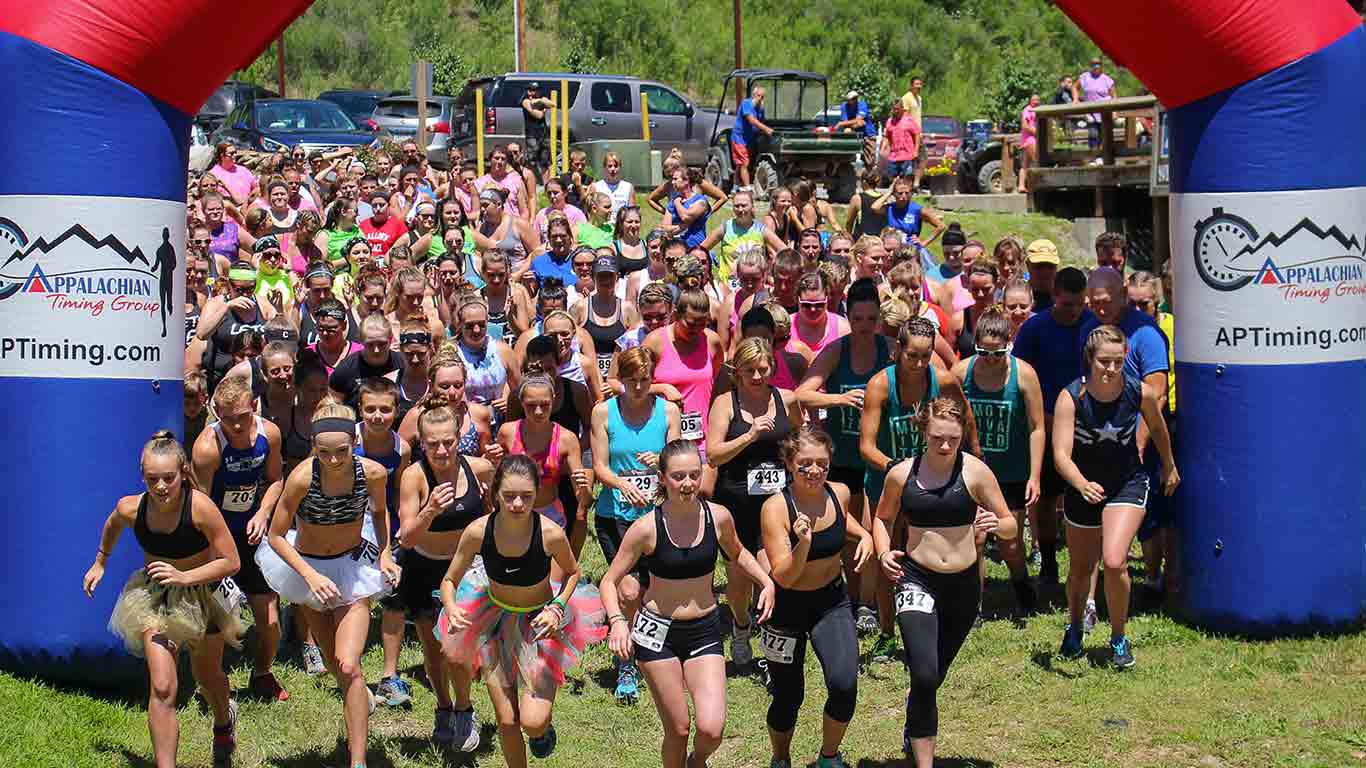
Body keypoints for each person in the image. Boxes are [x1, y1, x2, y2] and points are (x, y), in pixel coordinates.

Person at [600, 440, 775, 768]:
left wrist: (766, 582)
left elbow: (737, 553)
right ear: (663, 479)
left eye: (694, 475)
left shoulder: (718, 517)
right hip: (657, 633)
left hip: (704, 629)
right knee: (678, 730)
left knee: (711, 729)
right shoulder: (646, 528)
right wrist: (618, 621)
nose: (688, 483)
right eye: (678, 476)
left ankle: (696, 763)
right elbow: (609, 581)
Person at [84, 431, 244, 768]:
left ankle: (223, 720)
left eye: (169, 479)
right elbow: (112, 525)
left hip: (204, 595)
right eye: (152, 479)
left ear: (183, 472)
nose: (160, 487)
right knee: (161, 686)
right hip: (156, 597)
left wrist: (185, 576)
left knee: (207, 675)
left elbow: (231, 561)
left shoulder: (201, 508)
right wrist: (100, 561)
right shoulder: (131, 507)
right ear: (142, 475)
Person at [437, 455, 607, 767]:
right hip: (492, 621)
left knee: (531, 721)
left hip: (540, 624)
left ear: (536, 494)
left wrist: (557, 607)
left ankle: (542, 731)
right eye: (509, 496)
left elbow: (573, 573)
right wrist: (450, 606)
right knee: (507, 719)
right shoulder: (477, 531)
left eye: (526, 497)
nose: (517, 504)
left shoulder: (549, 533)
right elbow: (449, 579)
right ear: (495, 494)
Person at [255, 402, 400, 768]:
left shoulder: (374, 474)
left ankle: (358, 761)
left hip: (353, 568)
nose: (333, 460)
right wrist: (310, 576)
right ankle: (360, 699)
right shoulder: (302, 478)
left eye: (342, 451)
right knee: (336, 665)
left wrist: (385, 553)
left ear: (355, 442)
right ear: (313, 448)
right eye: (324, 452)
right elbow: (275, 536)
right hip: (311, 572)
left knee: (349, 664)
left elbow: (381, 514)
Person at [873, 397, 1016, 767]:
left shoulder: (976, 472)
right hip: (916, 579)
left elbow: (1010, 522)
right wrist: (883, 552)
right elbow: (882, 518)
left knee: (933, 674)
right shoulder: (902, 473)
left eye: (953, 438)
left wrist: (996, 525)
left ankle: (915, 717)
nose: (946, 446)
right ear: (923, 432)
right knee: (923, 673)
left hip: (964, 585)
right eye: (938, 437)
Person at [1054, 326, 1179, 669]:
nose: (1110, 368)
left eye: (1118, 361)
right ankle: (1076, 626)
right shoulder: (1071, 397)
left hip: (1128, 482)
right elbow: (1061, 455)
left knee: (1113, 560)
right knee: (1080, 569)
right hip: (1083, 486)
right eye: (1103, 361)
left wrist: (1168, 465)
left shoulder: (1138, 392)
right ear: (1089, 360)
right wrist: (1079, 483)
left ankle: (1119, 637)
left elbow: (1158, 427)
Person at [858, 317, 976, 649]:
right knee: (888, 558)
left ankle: (932, 623)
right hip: (889, 482)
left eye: (926, 356)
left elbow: (965, 418)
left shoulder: (942, 380)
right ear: (898, 350)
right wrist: (897, 468)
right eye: (912, 356)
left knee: (933, 552)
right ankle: (885, 632)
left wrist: (974, 458)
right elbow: (866, 445)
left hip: (933, 482)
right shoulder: (881, 385)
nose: (919, 363)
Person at [760, 426, 874, 768]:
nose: (814, 471)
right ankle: (780, 757)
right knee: (787, 697)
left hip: (831, 602)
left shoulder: (837, 492)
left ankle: (829, 756)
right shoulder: (776, 508)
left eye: (822, 464)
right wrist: (804, 544)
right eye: (805, 464)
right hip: (786, 608)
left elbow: (845, 523)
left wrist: (865, 536)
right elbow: (784, 575)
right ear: (789, 464)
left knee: (843, 685)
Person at [397, 393, 495, 750]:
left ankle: (465, 708)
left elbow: (496, 511)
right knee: (433, 649)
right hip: (424, 569)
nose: (441, 451)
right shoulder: (414, 476)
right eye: (433, 444)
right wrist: (429, 511)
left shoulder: (478, 468)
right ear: (422, 443)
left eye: (448, 442)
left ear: (459, 439)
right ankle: (443, 706)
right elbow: (406, 538)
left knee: (458, 648)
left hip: (467, 572)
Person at [797, 279, 894, 632]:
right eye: (858, 319)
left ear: (879, 318)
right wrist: (839, 399)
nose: (865, 327)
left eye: (871, 319)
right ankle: (852, 599)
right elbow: (802, 394)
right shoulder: (837, 351)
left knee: (871, 527)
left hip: (877, 457)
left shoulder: (891, 349)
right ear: (848, 317)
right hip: (841, 457)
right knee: (848, 534)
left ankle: (868, 604)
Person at [590, 347, 682, 700]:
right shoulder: (604, 412)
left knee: (655, 589)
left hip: (658, 516)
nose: (640, 387)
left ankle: (659, 653)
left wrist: (660, 463)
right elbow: (599, 466)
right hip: (616, 515)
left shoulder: (668, 411)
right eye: (632, 381)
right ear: (621, 381)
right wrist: (620, 483)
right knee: (627, 590)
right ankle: (626, 664)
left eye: (646, 380)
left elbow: (678, 462)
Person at [706, 337, 804, 667]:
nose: (758, 377)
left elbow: (797, 439)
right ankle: (741, 625)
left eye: (763, 369)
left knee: (770, 572)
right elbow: (713, 454)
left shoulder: (786, 399)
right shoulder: (725, 403)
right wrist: (748, 435)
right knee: (737, 582)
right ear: (737, 372)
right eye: (750, 371)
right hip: (735, 504)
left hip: (774, 503)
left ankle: (771, 650)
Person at [190, 374, 288, 701]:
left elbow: (276, 480)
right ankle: (213, 685)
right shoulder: (208, 447)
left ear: (255, 408)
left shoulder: (269, 434)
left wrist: (262, 513)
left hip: (251, 537)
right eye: (226, 419)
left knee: (270, 620)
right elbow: (199, 506)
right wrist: (215, 549)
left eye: (242, 417)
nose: (234, 425)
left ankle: (262, 673)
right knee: (215, 624)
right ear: (215, 412)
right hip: (217, 543)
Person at [953, 307, 1046, 613]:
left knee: (1010, 542)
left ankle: (1021, 583)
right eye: (983, 352)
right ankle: (974, 604)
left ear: (1010, 342)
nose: (990, 359)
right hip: (972, 471)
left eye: (998, 353)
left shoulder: (1024, 375)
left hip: (1011, 471)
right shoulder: (962, 372)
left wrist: (1034, 475)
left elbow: (1036, 427)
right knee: (976, 537)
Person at [1011, 266, 1092, 586]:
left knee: (1084, 496)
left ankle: (1084, 564)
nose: (1072, 311)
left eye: (1078, 304)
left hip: (1085, 427)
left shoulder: (1093, 326)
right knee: (1044, 499)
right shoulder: (1035, 329)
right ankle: (1047, 562)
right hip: (1043, 423)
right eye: (1066, 304)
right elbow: (1019, 375)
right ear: (1054, 297)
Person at [351, 379, 416, 708]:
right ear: (360, 410)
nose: (378, 416)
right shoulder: (348, 440)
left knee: (393, 597)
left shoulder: (401, 448)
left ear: (396, 411)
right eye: (370, 409)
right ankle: (353, 674)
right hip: (347, 526)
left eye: (385, 409)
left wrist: (405, 523)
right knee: (353, 599)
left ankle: (390, 676)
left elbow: (402, 491)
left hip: (384, 525)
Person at [642, 289, 725, 492]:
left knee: (703, 493)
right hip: (662, 434)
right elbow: (624, 383)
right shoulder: (655, 342)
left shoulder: (712, 341)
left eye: (702, 323)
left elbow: (720, 383)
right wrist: (662, 388)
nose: (697, 329)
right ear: (676, 314)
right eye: (690, 323)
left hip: (701, 436)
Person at [496, 371, 593, 540]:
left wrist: (584, 489)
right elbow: (496, 480)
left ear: (554, 400)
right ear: (521, 402)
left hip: (549, 516)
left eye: (545, 405)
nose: (539, 411)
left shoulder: (566, 439)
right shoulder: (507, 433)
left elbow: (583, 498)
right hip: (512, 514)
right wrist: (491, 461)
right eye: (531, 405)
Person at [700, 189, 786, 289]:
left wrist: (772, 271)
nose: (740, 209)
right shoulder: (726, 227)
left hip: (755, 287)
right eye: (737, 206)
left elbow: (785, 251)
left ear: (752, 207)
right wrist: (710, 262)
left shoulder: (761, 230)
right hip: (729, 287)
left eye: (744, 205)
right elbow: (701, 249)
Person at [453, 296, 520, 416]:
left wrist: (509, 400)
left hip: (500, 423)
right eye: (469, 325)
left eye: (482, 324)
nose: (477, 330)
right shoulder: (451, 353)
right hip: (466, 421)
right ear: (459, 324)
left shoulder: (503, 351)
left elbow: (519, 389)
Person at [328, 314, 403, 409]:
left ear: (390, 338)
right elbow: (334, 406)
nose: (376, 350)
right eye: (370, 344)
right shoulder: (346, 369)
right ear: (360, 340)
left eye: (382, 344)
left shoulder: (403, 364)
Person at [871, 177, 945, 248]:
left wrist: (924, 242)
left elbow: (941, 226)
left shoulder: (917, 209)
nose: (904, 196)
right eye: (900, 193)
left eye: (907, 193)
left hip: (910, 249)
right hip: (892, 249)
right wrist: (889, 192)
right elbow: (874, 207)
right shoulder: (890, 208)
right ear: (894, 194)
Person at [792, 272, 850, 356]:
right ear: (797, 300)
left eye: (819, 304)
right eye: (806, 304)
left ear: (827, 299)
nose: (813, 309)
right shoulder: (786, 329)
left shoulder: (843, 329)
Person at [732, 85, 775, 189]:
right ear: (754, 95)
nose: (760, 99)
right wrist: (766, 129)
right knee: (744, 163)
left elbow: (761, 122)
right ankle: (748, 187)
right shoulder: (746, 104)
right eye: (759, 96)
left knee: (740, 163)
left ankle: (735, 185)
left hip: (750, 139)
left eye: (762, 96)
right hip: (739, 138)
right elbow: (751, 120)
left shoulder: (760, 109)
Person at [475, 144, 531, 220]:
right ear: (490, 159)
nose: (500, 161)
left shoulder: (516, 181)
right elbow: (476, 212)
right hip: (488, 227)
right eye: (496, 158)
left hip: (513, 225)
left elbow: (524, 211)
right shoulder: (480, 183)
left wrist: (522, 227)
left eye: (503, 159)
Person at [1073, 57, 1117, 150]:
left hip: (1105, 112)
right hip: (1091, 112)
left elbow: (1114, 97)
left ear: (1101, 66)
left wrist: (1115, 112)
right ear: (1090, 65)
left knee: (1105, 136)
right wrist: (1075, 99)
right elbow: (1075, 87)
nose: (1096, 66)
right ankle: (1093, 158)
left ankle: (1104, 159)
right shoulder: (1085, 77)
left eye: (1098, 64)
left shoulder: (1107, 79)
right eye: (1093, 64)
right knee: (1093, 135)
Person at [662, 167, 710, 250]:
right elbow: (664, 228)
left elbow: (685, 217)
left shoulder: (700, 201)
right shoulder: (672, 202)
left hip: (695, 249)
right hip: (676, 249)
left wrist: (677, 202)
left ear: (686, 181)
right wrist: (683, 226)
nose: (672, 182)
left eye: (675, 179)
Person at [834, 90, 878, 169]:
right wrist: (854, 125)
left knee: (870, 161)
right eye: (852, 99)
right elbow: (847, 121)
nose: (854, 100)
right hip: (854, 133)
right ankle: (847, 159)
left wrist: (840, 124)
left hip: (868, 133)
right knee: (847, 130)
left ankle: (869, 174)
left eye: (855, 98)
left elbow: (859, 119)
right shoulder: (844, 106)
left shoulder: (862, 105)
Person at [359, 191, 408, 259]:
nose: (378, 208)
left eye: (382, 205)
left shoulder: (398, 225)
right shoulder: (363, 225)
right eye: (374, 205)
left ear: (388, 206)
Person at [882, 99, 922, 180]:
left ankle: (907, 191)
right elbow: (887, 136)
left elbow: (917, 134)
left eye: (897, 109)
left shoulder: (908, 120)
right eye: (894, 109)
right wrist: (883, 148)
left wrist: (916, 150)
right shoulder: (890, 121)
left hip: (907, 155)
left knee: (906, 179)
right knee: (893, 179)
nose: (895, 111)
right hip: (893, 156)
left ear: (902, 109)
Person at [591, 151, 637, 217]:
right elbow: (591, 212)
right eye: (609, 166)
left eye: (616, 166)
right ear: (604, 167)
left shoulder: (628, 187)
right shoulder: (596, 187)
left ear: (620, 167)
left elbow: (632, 213)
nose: (613, 169)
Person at [1025, 238, 1060, 311]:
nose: (1045, 272)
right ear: (1028, 265)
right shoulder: (1017, 299)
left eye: (1050, 266)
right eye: (1039, 266)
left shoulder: (1066, 300)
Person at [1018, 94, 1041, 193]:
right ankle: (1034, 185)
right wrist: (1036, 132)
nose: (1036, 101)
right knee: (1036, 162)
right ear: (1030, 101)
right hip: (1030, 140)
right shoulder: (1028, 110)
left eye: (1038, 100)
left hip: (1027, 140)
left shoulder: (1038, 109)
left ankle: (1022, 185)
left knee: (1025, 164)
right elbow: (1024, 125)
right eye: (1034, 99)